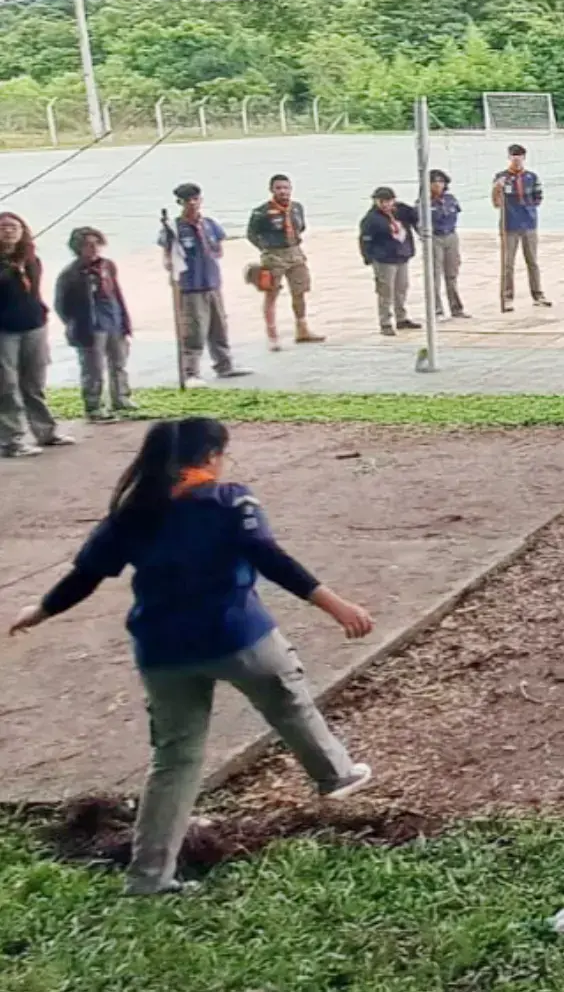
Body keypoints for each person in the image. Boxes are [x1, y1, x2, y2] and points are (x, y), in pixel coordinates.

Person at [8, 418, 375, 896]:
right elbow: (270, 558)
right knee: (287, 698)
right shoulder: (229, 501)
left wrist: (40, 611)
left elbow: (85, 575)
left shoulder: (132, 512)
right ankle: (334, 773)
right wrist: (337, 605)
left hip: (162, 650)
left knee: (174, 761)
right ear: (210, 456)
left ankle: (149, 877)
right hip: (237, 636)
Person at [160, 184, 250, 387]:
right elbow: (167, 256)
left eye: (195, 199)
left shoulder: (209, 224)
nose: (192, 204)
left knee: (219, 326)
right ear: (180, 203)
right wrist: (171, 266)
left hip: (212, 282)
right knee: (194, 329)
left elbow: (218, 247)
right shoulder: (174, 228)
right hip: (190, 286)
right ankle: (190, 372)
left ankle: (224, 365)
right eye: (187, 200)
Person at [0, 212, 73, 459]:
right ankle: (12, 440)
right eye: (4, 227)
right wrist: (9, 271)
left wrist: (42, 314)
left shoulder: (31, 260)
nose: (9, 231)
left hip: (32, 325)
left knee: (34, 383)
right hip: (4, 331)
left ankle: (46, 432)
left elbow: (34, 291)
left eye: (14, 227)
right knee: (7, 386)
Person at [54, 227, 136, 422]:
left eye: (97, 244)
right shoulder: (71, 273)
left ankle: (121, 398)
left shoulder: (107, 266)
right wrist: (75, 324)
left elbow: (117, 293)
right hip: (90, 325)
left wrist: (125, 321)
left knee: (119, 363)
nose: (94, 249)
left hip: (113, 319)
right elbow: (61, 305)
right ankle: (94, 406)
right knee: (93, 368)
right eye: (88, 245)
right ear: (78, 248)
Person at [245, 174, 324, 352]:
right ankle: (272, 336)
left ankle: (302, 329)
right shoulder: (261, 212)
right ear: (271, 190)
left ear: (291, 189)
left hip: (295, 252)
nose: (283, 191)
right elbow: (251, 234)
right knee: (271, 294)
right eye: (278, 188)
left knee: (300, 290)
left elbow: (301, 227)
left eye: (286, 188)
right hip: (273, 255)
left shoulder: (297, 208)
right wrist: (265, 249)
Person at [492, 144, 550, 311]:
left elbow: (538, 198)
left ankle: (538, 294)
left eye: (520, 155)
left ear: (524, 157)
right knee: (508, 263)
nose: (517, 159)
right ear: (509, 157)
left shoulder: (532, 177)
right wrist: (497, 189)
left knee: (532, 261)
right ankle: (507, 297)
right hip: (509, 225)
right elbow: (496, 203)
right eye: (513, 155)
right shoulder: (501, 177)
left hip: (529, 224)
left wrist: (527, 207)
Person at [359, 187, 422, 336]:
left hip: (402, 256)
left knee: (402, 288)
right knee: (385, 291)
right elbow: (365, 240)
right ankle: (385, 322)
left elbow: (416, 216)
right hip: (384, 259)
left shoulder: (400, 212)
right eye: (382, 201)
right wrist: (368, 257)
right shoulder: (371, 219)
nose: (385, 204)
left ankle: (402, 317)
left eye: (388, 201)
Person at [428, 170, 469, 319]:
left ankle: (456, 308)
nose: (437, 185)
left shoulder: (450, 199)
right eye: (434, 182)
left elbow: (455, 214)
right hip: (434, 238)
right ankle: (437, 310)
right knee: (434, 275)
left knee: (452, 273)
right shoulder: (424, 202)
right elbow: (418, 222)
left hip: (451, 236)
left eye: (440, 182)